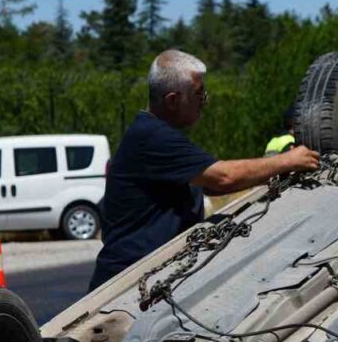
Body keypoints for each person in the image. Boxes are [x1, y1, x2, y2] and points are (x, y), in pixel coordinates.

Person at [88, 50, 320, 290]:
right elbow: (223, 177)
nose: (205, 100)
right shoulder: (152, 136)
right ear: (172, 101)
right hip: (125, 284)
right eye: (199, 93)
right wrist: (288, 160)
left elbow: (209, 185)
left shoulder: (154, 132)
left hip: (144, 276)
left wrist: (270, 174)